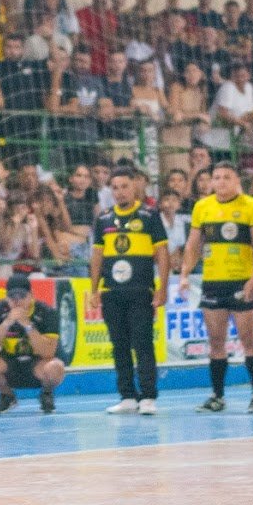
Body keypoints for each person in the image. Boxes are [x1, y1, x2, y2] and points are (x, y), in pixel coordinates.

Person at [178, 162, 253, 413]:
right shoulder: (202, 207)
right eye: (216, 177)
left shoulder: (251, 206)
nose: (220, 182)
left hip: (241, 281)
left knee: (247, 339)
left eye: (226, 177)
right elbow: (193, 245)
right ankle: (217, 396)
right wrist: (184, 274)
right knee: (216, 341)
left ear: (237, 180)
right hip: (213, 282)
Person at [89, 166, 169, 415]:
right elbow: (97, 256)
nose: (120, 192)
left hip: (140, 290)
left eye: (124, 186)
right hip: (112, 292)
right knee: (119, 344)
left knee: (142, 342)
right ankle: (127, 396)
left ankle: (148, 396)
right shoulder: (103, 219)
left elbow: (162, 253)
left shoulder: (149, 216)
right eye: (115, 188)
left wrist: (162, 288)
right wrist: (94, 289)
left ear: (135, 186)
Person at [0, 272, 64, 414]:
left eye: (22, 296)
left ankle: (46, 393)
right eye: (12, 297)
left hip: (37, 364)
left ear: (31, 295)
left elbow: (48, 352)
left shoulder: (47, 312)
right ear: (6, 298)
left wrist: (27, 325)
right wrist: (6, 323)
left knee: (56, 368)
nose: (17, 301)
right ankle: (7, 395)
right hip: (8, 363)